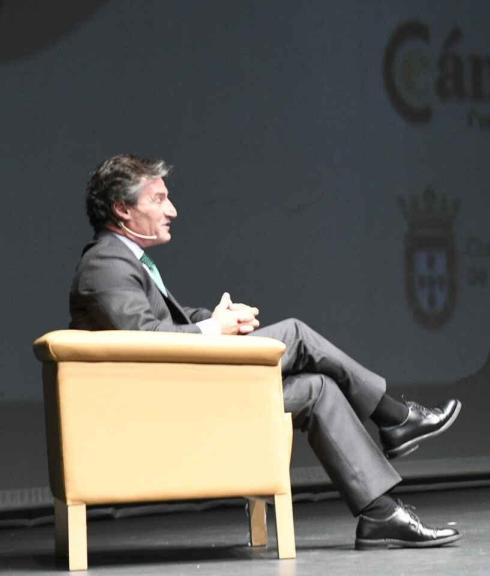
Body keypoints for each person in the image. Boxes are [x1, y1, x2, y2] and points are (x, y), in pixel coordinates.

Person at [70, 154, 463, 549]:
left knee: (318, 387)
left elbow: (164, 319)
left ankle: (380, 513)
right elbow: (145, 340)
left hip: (182, 396)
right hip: (164, 409)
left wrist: (216, 318)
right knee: (295, 334)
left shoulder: (125, 261)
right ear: (122, 209)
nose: (171, 210)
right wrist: (213, 330)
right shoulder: (105, 262)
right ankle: (396, 418)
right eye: (158, 199)